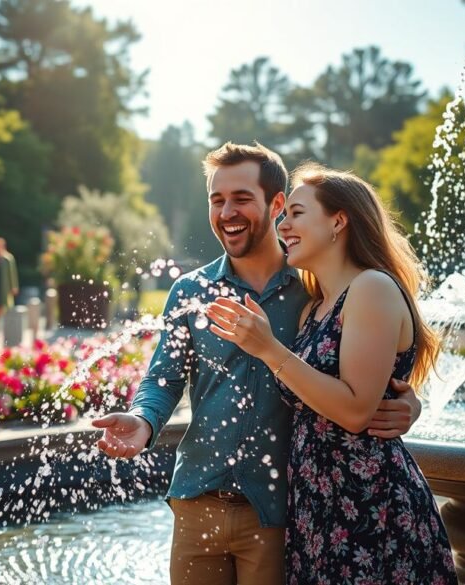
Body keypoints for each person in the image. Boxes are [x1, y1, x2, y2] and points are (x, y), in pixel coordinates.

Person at [92, 143, 423, 585]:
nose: (227, 211)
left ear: (277, 203)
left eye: (242, 198)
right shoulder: (190, 291)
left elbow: (369, 364)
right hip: (196, 501)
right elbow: (163, 377)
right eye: (217, 200)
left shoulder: (316, 290)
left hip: (280, 512)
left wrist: (407, 402)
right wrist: (143, 419)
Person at [205, 162, 456, 584]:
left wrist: (269, 349)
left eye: (297, 213)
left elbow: (356, 411)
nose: (282, 225)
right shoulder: (315, 307)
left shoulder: (371, 288)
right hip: (319, 509)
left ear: (338, 220)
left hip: (369, 507)